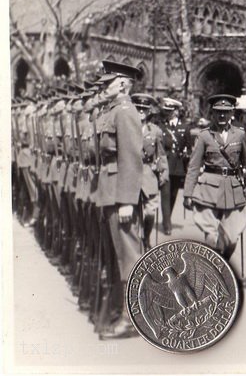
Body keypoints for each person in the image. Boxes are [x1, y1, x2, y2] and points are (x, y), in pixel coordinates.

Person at [93, 60, 143, 339]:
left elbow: (131, 158)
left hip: (118, 194)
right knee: (118, 254)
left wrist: (127, 200)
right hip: (108, 191)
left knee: (128, 256)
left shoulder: (125, 112)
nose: (104, 85)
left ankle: (131, 318)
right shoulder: (111, 111)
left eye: (109, 81)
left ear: (123, 84)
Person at [183, 95, 246, 265]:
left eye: (226, 112)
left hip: (233, 189)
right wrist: (187, 193)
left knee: (232, 239)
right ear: (212, 114)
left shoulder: (240, 135)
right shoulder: (205, 136)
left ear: (232, 113)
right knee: (211, 237)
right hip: (208, 188)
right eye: (218, 112)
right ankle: (212, 270)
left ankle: (223, 262)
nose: (222, 116)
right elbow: (193, 166)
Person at [132, 94, 169, 250]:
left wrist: (164, 172)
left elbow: (160, 154)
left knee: (150, 213)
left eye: (144, 109)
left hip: (148, 174)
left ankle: (146, 237)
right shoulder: (128, 128)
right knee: (133, 213)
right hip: (132, 173)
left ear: (149, 112)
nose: (141, 111)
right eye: (138, 108)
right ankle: (134, 243)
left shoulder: (155, 131)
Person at [160, 97, 190, 236]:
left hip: (178, 167)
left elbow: (189, 148)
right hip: (165, 165)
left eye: (171, 111)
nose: (168, 113)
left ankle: (168, 218)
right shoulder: (161, 126)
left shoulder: (185, 127)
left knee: (173, 195)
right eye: (166, 111)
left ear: (177, 112)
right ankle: (167, 224)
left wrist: (186, 156)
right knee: (165, 194)